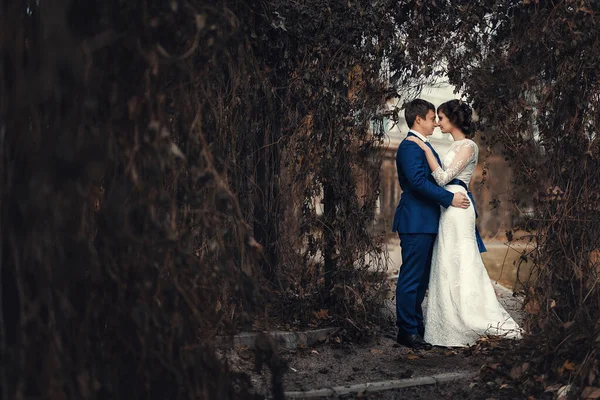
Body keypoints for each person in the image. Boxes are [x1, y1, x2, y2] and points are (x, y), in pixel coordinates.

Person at [406, 99, 522, 347]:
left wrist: (425, 149)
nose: (437, 123)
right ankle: (446, 323)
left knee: (462, 261)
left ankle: (470, 315)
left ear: (453, 120)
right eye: (435, 118)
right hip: (448, 208)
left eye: (441, 118)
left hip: (458, 209)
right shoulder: (453, 147)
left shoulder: (468, 146)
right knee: (446, 262)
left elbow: (443, 177)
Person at [392, 99, 470, 350]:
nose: (435, 123)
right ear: (418, 120)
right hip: (415, 221)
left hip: (427, 221)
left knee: (422, 279)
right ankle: (406, 331)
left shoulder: (422, 145)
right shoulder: (410, 147)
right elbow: (416, 182)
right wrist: (449, 199)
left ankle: (415, 326)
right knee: (411, 278)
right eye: (431, 118)